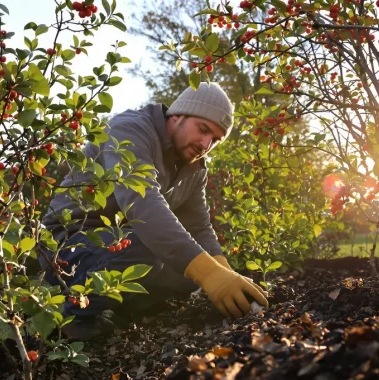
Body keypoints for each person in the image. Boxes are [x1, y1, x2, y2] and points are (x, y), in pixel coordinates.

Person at [40, 82, 269, 340]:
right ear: (178, 115)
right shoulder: (129, 129)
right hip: (66, 243)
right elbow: (143, 204)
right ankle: (72, 316)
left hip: (117, 245)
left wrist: (224, 273)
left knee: (187, 273)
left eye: (215, 140)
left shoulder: (194, 168)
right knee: (150, 249)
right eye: (203, 129)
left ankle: (124, 312)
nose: (205, 144)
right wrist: (208, 272)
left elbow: (198, 226)